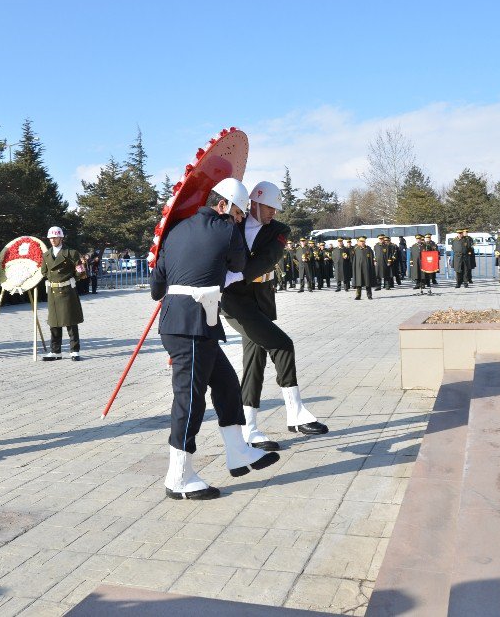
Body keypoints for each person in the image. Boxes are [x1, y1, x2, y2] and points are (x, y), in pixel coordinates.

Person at [152, 178, 279, 500]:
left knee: (225, 383)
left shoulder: (175, 230)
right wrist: (230, 236)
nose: (240, 220)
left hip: (185, 322)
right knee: (190, 399)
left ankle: (238, 451)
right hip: (192, 325)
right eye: (238, 213)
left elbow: (156, 288)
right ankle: (178, 476)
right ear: (223, 205)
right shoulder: (226, 230)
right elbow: (240, 264)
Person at [221, 180, 329, 453]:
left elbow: (267, 259)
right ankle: (294, 412)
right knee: (281, 344)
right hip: (233, 301)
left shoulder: (280, 231)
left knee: (255, 360)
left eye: (276, 209)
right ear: (254, 202)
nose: (274, 213)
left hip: (259, 298)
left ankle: (249, 427)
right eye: (270, 207)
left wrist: (236, 275)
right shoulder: (232, 221)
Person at [41, 226, 86, 361]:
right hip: (53, 291)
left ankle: (74, 350)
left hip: (67, 290)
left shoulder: (71, 253)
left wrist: (74, 278)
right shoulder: (46, 255)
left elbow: (81, 270)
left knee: (70, 321)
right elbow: (44, 271)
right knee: (54, 322)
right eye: (51, 238)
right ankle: (55, 351)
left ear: (61, 238)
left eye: (55, 237)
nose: (53, 240)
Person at [351, 236, 375, 300]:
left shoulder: (368, 249)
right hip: (358, 268)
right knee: (359, 282)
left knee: (368, 282)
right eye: (360, 241)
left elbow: (372, 259)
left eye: (363, 241)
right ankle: (358, 296)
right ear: (358, 242)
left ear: (365, 242)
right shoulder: (356, 249)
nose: (362, 243)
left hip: (366, 268)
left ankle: (369, 295)